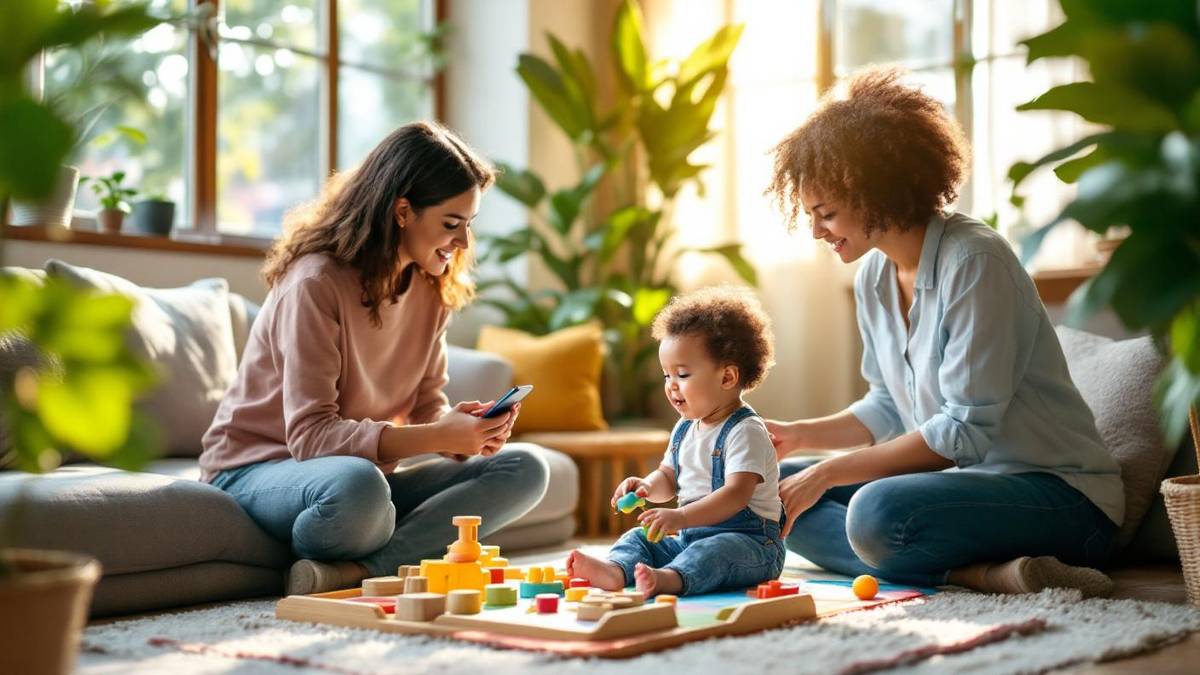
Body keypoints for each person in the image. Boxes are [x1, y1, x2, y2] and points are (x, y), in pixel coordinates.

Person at [762, 68, 1122, 597]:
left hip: (1062, 501)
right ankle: (980, 575)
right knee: (776, 489)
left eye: (828, 213)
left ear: (877, 192)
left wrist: (830, 472)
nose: (816, 231)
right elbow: (888, 406)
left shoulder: (975, 259)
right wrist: (798, 435)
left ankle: (943, 566)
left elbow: (964, 432)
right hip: (962, 493)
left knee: (874, 511)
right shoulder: (875, 277)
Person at [199, 121, 549, 595]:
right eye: (451, 224)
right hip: (256, 471)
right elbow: (310, 436)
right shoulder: (315, 283)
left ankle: (361, 570)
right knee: (361, 491)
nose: (463, 242)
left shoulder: (430, 290)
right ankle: (376, 548)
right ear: (402, 211)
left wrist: (457, 433)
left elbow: (425, 403)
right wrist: (434, 434)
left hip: (355, 480)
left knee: (525, 468)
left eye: (469, 225)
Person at [566, 287, 783, 596]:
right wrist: (645, 486)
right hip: (689, 537)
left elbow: (736, 495)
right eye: (666, 376)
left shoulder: (746, 431)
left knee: (715, 551)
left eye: (682, 375)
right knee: (639, 538)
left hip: (750, 544)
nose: (671, 386)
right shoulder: (685, 428)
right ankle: (616, 570)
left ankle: (670, 579)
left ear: (727, 378)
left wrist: (680, 516)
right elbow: (668, 477)